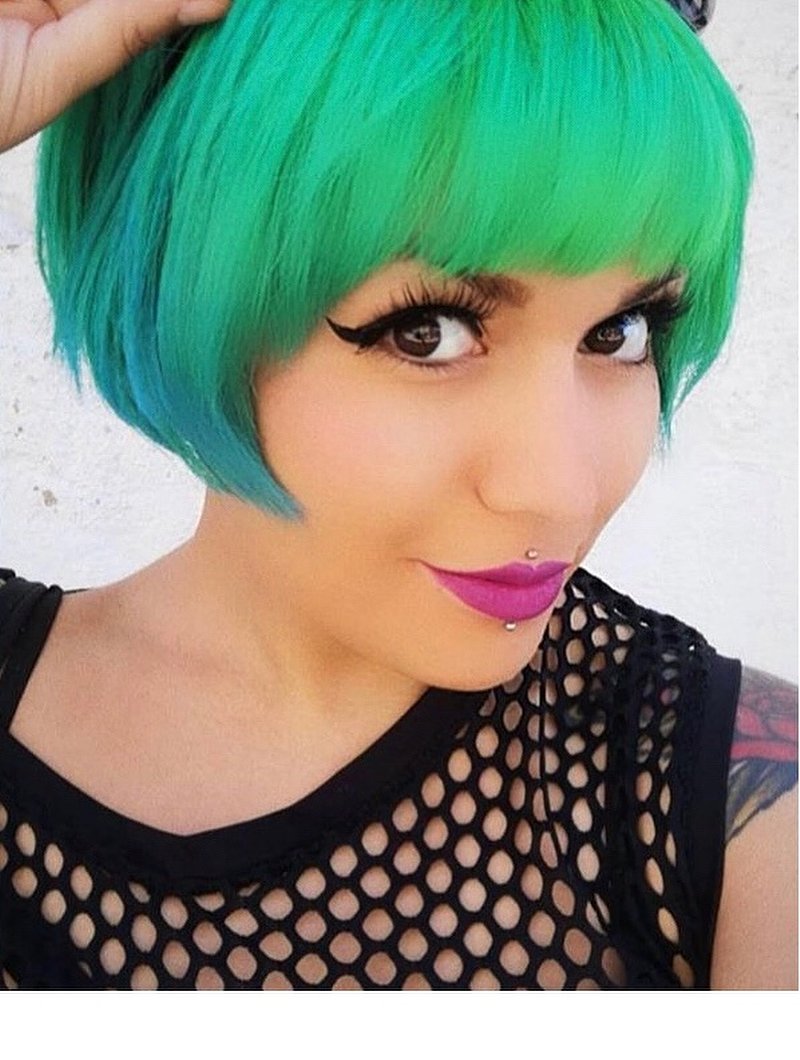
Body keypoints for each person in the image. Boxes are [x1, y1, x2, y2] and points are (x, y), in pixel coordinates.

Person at [0, 0, 796, 991]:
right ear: (178, 275)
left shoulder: (737, 799)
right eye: (429, 332)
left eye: (619, 333)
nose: (558, 489)